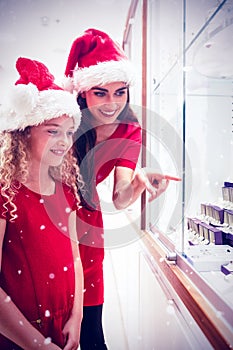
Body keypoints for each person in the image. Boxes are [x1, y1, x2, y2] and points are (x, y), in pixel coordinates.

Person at [64, 28, 181, 350]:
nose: (112, 102)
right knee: (46, 323)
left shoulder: (130, 129)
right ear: (82, 93)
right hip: (48, 223)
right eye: (100, 93)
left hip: (88, 225)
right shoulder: (65, 120)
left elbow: (119, 197)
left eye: (120, 92)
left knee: (90, 333)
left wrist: (139, 182)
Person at [0, 57, 84, 350]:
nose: (63, 141)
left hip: (62, 327)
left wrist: (77, 316)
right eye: (52, 130)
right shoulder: (5, 195)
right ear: (24, 132)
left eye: (69, 132)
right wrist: (37, 344)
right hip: (19, 334)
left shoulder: (66, 192)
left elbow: (75, 257)